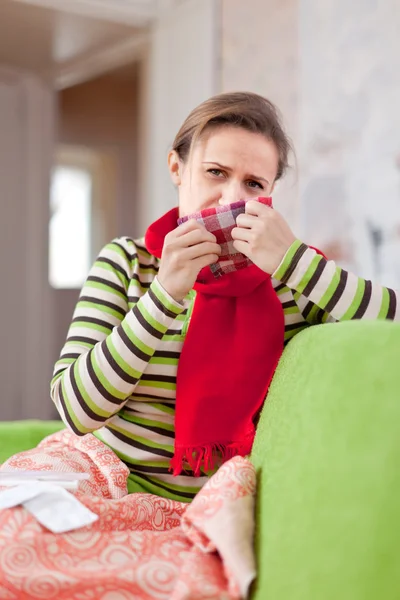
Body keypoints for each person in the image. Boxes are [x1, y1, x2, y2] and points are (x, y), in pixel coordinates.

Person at [49, 91, 399, 502]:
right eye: (216, 172)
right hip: (106, 484)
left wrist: (293, 260)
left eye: (253, 184)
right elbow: (77, 411)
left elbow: (388, 329)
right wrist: (164, 294)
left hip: (213, 508)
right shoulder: (127, 261)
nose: (233, 199)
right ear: (177, 168)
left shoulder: (292, 281)